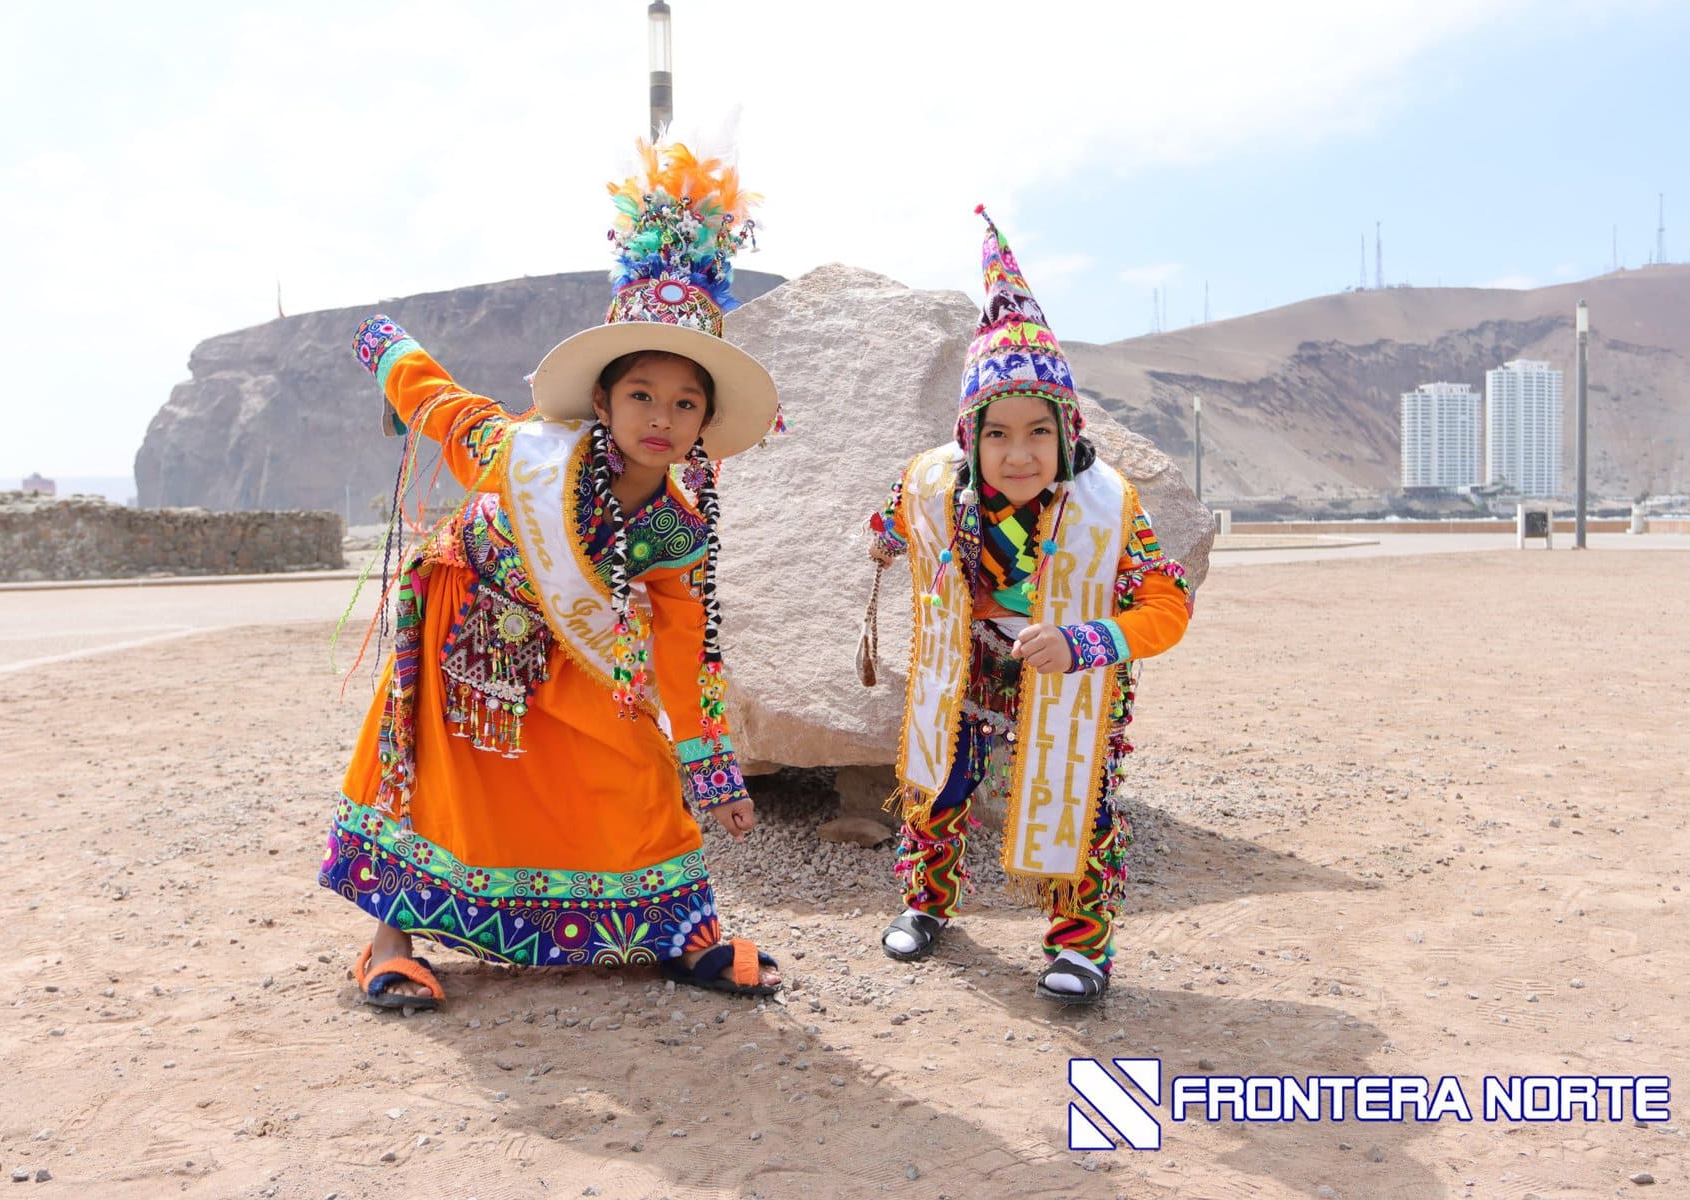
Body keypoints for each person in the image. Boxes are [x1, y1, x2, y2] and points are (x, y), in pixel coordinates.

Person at [320, 142, 783, 1008]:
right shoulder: (526, 453)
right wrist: (386, 349)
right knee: (434, 780)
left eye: (686, 403)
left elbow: (685, 647)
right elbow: (446, 408)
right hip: (465, 624)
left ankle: (683, 932)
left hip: (572, 647)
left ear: (705, 426)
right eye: (641, 395)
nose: (662, 417)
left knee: (634, 764)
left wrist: (710, 767)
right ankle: (390, 944)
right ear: (600, 402)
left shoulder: (679, 529)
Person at [867, 206, 1192, 1005]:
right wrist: (884, 541)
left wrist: (1087, 642)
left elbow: (1167, 606)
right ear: (969, 437)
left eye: (1038, 433)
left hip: (1068, 676)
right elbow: (894, 519)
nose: (1018, 454)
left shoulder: (1111, 506)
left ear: (1067, 433)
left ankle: (1081, 947)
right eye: (997, 434)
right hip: (966, 669)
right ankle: (927, 902)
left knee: (1080, 804)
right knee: (938, 786)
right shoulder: (934, 484)